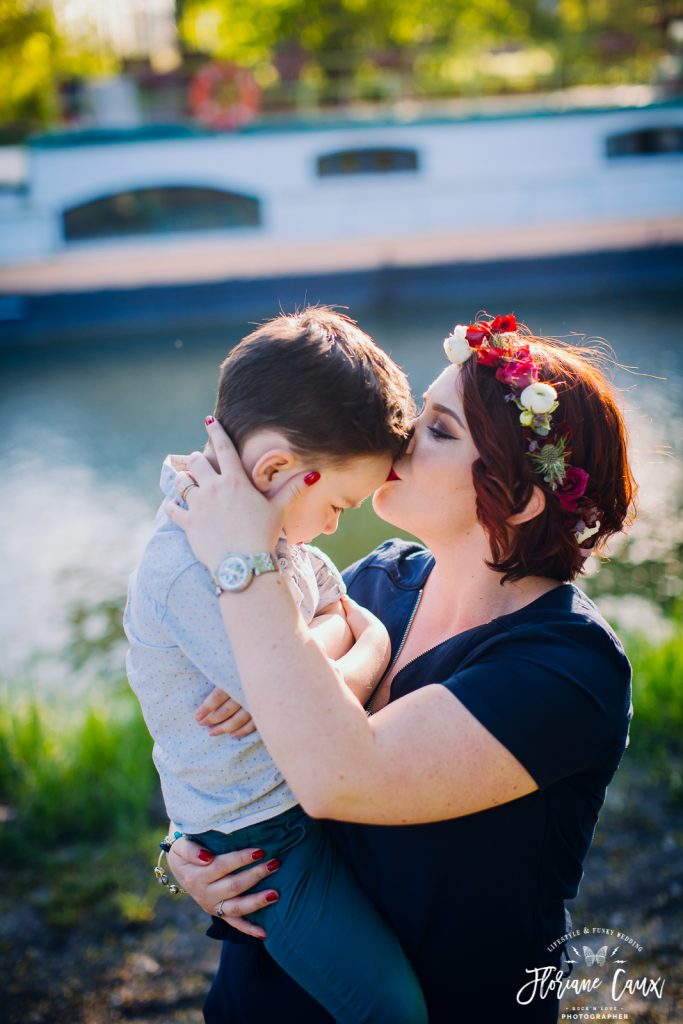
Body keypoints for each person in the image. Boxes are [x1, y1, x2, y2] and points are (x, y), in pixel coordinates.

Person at [164, 312, 635, 1024]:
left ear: (517, 496)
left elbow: (337, 776)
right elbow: (221, 730)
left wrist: (240, 552)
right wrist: (186, 852)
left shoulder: (568, 671)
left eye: (440, 431)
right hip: (264, 997)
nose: (402, 440)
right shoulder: (379, 578)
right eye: (422, 414)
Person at [124, 308, 432, 1023]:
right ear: (274, 468)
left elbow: (328, 603)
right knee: (389, 1009)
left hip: (294, 802)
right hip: (259, 841)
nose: (332, 527)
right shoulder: (191, 570)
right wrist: (365, 641)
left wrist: (328, 637)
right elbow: (317, 706)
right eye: (335, 504)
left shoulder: (259, 534)